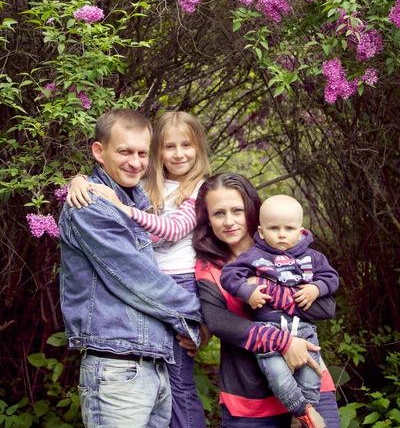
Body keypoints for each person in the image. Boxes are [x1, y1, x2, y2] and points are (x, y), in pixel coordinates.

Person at [59, 108, 203, 428]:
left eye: (141, 153)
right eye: (124, 151)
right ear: (100, 151)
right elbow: (140, 281)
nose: (135, 162)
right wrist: (200, 315)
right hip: (117, 369)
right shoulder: (91, 205)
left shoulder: (135, 201)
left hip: (152, 365)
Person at [193, 173, 341, 428]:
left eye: (237, 210)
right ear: (208, 219)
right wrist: (283, 343)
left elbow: (326, 307)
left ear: (251, 211)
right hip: (249, 400)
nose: (229, 221)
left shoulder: (293, 253)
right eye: (218, 213)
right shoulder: (210, 268)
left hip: (311, 380)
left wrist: (263, 287)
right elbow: (219, 322)